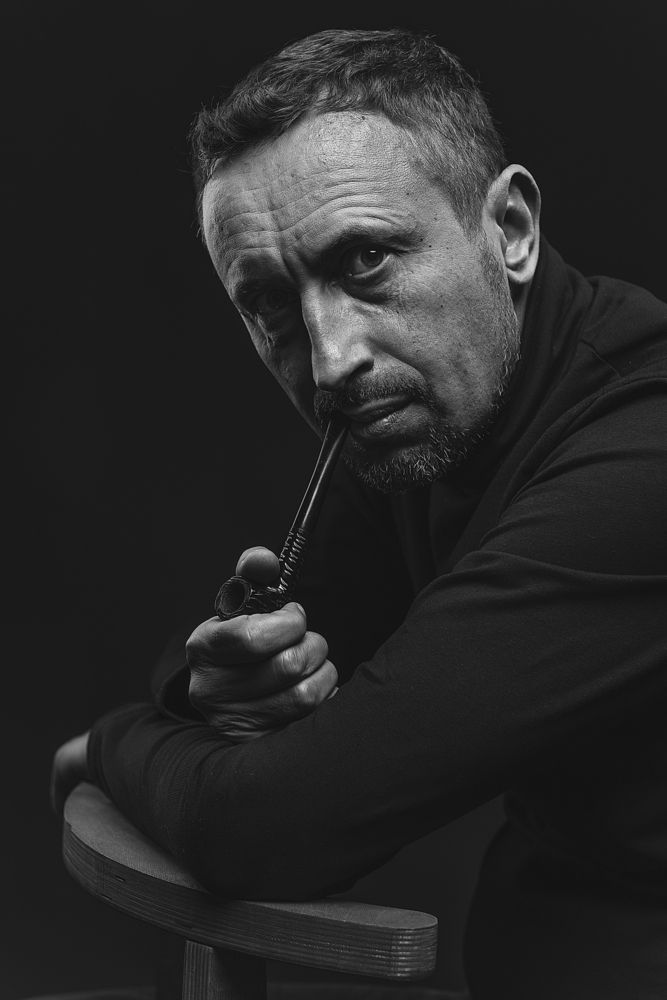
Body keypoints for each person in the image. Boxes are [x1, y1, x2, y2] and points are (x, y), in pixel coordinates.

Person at [51, 28, 667, 1000]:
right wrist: (210, 685)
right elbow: (243, 659)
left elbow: (273, 825)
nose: (331, 357)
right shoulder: (425, 414)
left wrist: (109, 742)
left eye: (367, 259)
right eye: (269, 302)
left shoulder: (639, 466)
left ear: (508, 229)